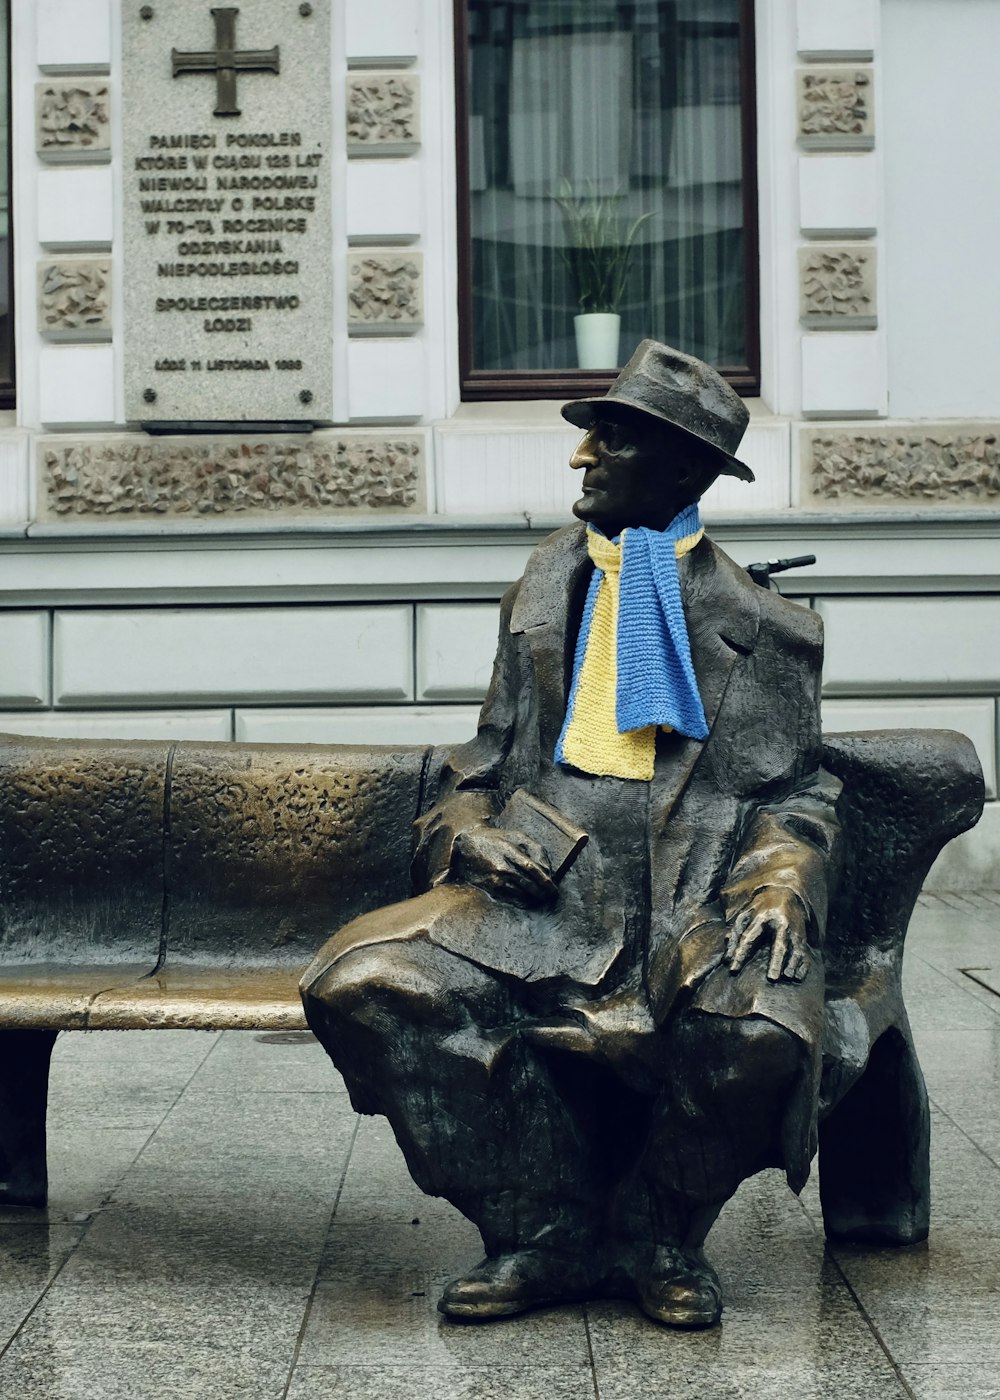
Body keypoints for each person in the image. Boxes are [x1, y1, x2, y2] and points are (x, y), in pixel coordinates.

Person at [301, 341, 841, 1328]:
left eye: (613, 439)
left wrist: (777, 882)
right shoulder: (546, 581)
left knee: (759, 1031)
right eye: (591, 435)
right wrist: (465, 831)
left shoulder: (768, 627)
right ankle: (538, 1229)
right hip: (543, 884)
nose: (580, 456)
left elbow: (797, 796)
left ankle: (660, 1230)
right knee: (363, 981)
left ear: (683, 470)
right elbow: (482, 761)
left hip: (694, 884)